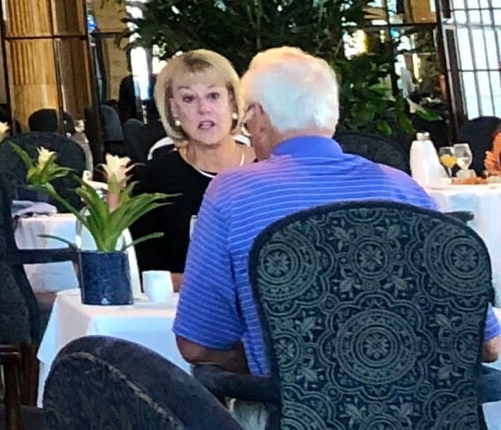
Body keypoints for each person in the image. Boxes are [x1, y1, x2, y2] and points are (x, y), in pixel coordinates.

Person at [174, 47, 501, 374]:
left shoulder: (232, 193)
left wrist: (287, 357)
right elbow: (487, 344)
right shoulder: (404, 190)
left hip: (294, 415)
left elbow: (197, 345)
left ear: (258, 116)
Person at [130, 49, 252, 273]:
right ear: (174, 109)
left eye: (213, 96)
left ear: (233, 102)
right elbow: (149, 274)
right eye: (189, 98)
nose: (203, 109)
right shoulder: (153, 180)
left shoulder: (267, 166)